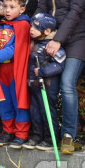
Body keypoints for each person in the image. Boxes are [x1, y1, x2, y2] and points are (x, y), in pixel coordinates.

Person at [36, 0, 85, 155]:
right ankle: (51, 134)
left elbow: (77, 9)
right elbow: (42, 7)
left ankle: (69, 136)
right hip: (52, 38)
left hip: (78, 37)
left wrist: (58, 39)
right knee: (48, 87)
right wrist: (36, 29)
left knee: (68, 83)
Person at [0, 0, 32, 150]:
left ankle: (21, 134)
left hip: (15, 70)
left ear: (22, 9)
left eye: (12, 7)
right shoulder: (1, 23)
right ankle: (7, 131)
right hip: (1, 71)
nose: (7, 10)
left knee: (19, 101)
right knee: (4, 102)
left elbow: (16, 47)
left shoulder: (24, 24)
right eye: (5, 7)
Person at [25, 13, 65, 151]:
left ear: (47, 31)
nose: (31, 29)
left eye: (35, 27)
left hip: (46, 86)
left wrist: (42, 72)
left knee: (46, 110)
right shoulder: (33, 43)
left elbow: (59, 64)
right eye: (31, 26)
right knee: (35, 110)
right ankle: (37, 135)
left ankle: (50, 138)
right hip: (33, 85)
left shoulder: (51, 45)